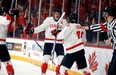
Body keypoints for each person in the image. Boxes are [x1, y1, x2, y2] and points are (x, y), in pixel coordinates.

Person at [26, 7, 67, 75]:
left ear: (60, 15)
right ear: (53, 14)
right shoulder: (49, 20)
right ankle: (43, 73)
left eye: (58, 14)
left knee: (61, 59)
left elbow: (66, 31)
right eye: (56, 13)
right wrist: (32, 30)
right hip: (48, 42)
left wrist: (59, 32)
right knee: (46, 59)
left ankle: (58, 73)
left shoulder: (64, 22)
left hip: (59, 43)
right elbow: (42, 27)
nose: (57, 15)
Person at [84, 6, 116, 75]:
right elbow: (100, 27)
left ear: (110, 14)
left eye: (106, 14)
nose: (104, 16)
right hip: (115, 50)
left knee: (112, 72)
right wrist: (88, 27)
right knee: (111, 71)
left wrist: (112, 41)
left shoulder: (115, 24)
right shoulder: (109, 24)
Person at [0, 5, 20, 75]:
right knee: (7, 62)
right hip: (1, 44)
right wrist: (10, 14)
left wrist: (12, 14)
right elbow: (5, 20)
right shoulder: (1, 18)